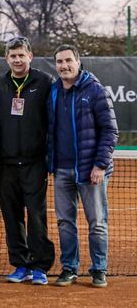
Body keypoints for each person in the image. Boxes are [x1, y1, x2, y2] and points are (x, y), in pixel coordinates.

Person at [47, 44, 118, 288]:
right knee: (65, 223)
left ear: (78, 61)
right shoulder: (54, 90)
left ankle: (99, 270)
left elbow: (110, 131)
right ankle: (69, 268)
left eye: (68, 60)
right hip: (62, 170)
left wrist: (99, 165)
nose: (64, 66)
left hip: (91, 171)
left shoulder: (95, 90)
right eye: (59, 62)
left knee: (97, 222)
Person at [0, 36, 55, 285]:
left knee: (36, 216)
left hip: (34, 162)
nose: (17, 60)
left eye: (21, 55)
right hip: (6, 163)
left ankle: (40, 266)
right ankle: (21, 264)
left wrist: (48, 154)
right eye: (13, 56)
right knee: (12, 216)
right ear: (7, 58)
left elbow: (52, 120)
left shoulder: (44, 82)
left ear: (30, 56)